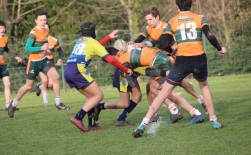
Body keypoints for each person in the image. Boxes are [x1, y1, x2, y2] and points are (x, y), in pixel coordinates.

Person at [132, 0, 226, 138]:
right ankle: (214, 121)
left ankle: (143, 124)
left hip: (182, 60)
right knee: (204, 86)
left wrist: (160, 47)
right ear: (191, 4)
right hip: (199, 58)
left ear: (177, 6)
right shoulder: (200, 18)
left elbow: (163, 44)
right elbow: (210, 35)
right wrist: (220, 48)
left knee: (164, 92)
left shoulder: (172, 21)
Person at [95, 42, 205, 126]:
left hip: (158, 63)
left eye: (109, 61)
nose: (112, 64)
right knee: (152, 87)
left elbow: (147, 71)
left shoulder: (123, 61)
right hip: (159, 57)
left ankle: (195, 113)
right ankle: (172, 111)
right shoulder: (125, 48)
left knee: (168, 92)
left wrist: (164, 72)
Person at [132, 5, 207, 121]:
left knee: (170, 85)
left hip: (170, 58)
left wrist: (150, 44)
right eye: (147, 20)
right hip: (158, 60)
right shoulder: (148, 28)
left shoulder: (165, 27)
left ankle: (193, 104)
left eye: (150, 19)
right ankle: (162, 112)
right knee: (150, 86)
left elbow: (164, 45)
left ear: (157, 17)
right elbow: (139, 39)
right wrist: (132, 43)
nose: (148, 22)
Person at [64, 22, 133, 132]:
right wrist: (126, 69)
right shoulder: (92, 42)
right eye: (95, 30)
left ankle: (91, 125)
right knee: (99, 95)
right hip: (77, 70)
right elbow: (110, 59)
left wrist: (108, 37)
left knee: (91, 97)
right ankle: (78, 117)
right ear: (92, 32)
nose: (97, 31)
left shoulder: (81, 40)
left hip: (68, 70)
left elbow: (96, 46)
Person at [7, 10, 69, 118]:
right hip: (34, 63)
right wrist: (41, 48)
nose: (43, 22)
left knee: (56, 76)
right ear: (36, 21)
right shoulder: (33, 32)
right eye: (40, 20)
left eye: (44, 19)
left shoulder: (46, 31)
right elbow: (27, 48)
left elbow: (45, 46)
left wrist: (47, 51)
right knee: (28, 86)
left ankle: (58, 103)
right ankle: (13, 104)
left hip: (44, 61)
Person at [35, 23, 69, 110]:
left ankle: (39, 86)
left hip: (50, 63)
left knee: (50, 84)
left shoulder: (53, 40)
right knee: (45, 81)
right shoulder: (37, 39)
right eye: (42, 27)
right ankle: (45, 101)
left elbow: (60, 51)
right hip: (40, 63)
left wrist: (60, 59)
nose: (44, 29)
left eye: (46, 28)